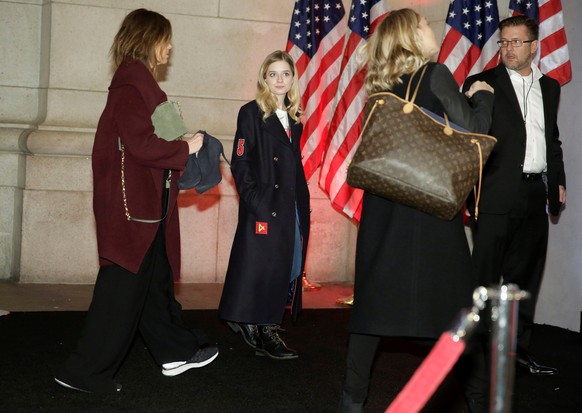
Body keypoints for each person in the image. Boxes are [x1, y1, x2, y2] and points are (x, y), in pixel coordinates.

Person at [337, 9, 495, 413]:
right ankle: (481, 401)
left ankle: (351, 402)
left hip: (385, 212)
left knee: (372, 313)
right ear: (410, 34)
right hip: (427, 212)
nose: (432, 30)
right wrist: (482, 95)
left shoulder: (381, 84)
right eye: (425, 25)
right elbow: (473, 133)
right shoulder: (436, 73)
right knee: (450, 313)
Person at [54, 8, 218, 393]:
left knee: (153, 281)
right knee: (121, 290)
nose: (170, 47)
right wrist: (186, 149)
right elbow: (141, 144)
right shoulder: (132, 84)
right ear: (148, 40)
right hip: (134, 211)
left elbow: (146, 138)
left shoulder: (138, 82)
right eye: (166, 39)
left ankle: (174, 351)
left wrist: (179, 146)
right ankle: (84, 373)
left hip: (147, 209)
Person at [463, 15, 566, 376]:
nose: (507, 48)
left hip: (534, 194)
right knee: (484, 279)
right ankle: (473, 354)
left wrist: (557, 184)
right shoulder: (481, 83)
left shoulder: (550, 87)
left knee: (524, 280)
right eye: (503, 42)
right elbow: (469, 139)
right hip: (493, 195)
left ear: (534, 45)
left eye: (516, 42)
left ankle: (517, 354)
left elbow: (551, 141)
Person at [218, 50, 310, 360]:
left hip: (291, 204)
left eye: (285, 73)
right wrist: (256, 202)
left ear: (293, 78)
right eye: (273, 74)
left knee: (290, 264)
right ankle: (265, 327)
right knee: (265, 266)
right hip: (265, 205)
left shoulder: (295, 118)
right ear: (264, 79)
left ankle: (255, 322)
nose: (280, 79)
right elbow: (240, 163)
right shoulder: (251, 113)